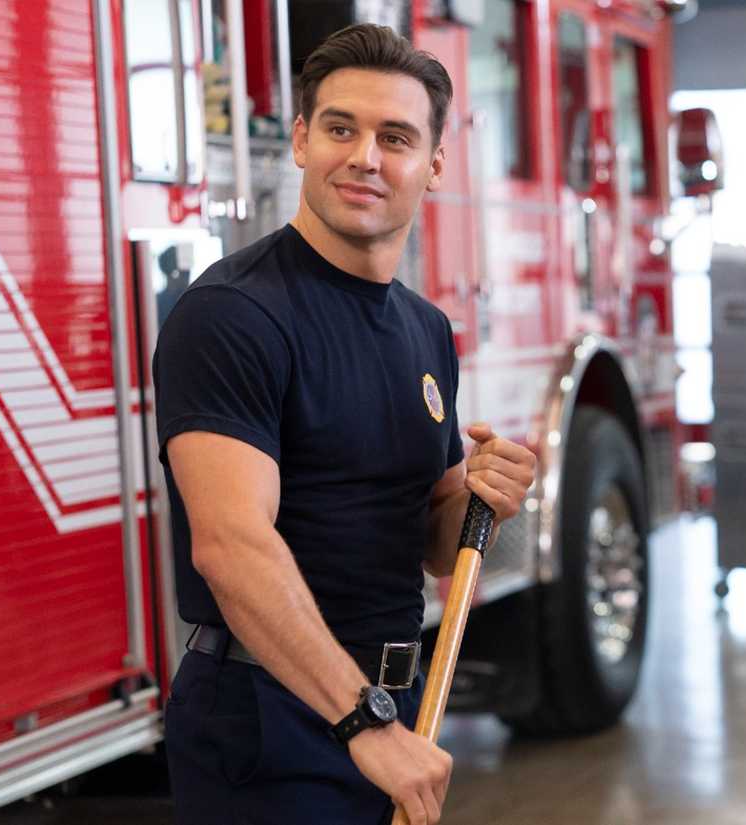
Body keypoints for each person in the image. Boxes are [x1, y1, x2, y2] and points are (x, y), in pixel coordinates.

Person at [154, 25, 537, 825]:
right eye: (340, 128)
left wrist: (479, 495)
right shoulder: (234, 314)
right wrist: (362, 720)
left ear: (433, 164)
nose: (364, 155)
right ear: (301, 140)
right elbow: (230, 545)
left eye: (395, 137)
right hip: (269, 721)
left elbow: (430, 542)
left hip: (392, 704)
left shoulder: (424, 329)